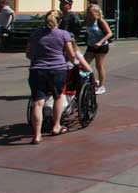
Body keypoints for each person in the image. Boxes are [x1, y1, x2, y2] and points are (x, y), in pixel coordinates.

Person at [26, 9, 92, 144]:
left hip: (37, 70)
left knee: (38, 103)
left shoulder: (35, 35)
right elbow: (72, 56)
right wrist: (77, 63)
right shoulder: (64, 35)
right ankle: (56, 126)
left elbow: (28, 54)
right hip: (57, 70)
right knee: (58, 97)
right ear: (60, 21)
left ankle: (37, 135)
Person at [83, 3, 113, 95]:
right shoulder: (87, 20)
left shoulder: (101, 21)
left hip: (102, 46)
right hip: (91, 46)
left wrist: (100, 42)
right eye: (88, 12)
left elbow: (109, 33)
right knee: (83, 64)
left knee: (99, 66)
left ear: (97, 13)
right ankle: (93, 80)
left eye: (91, 13)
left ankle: (101, 86)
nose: (89, 14)